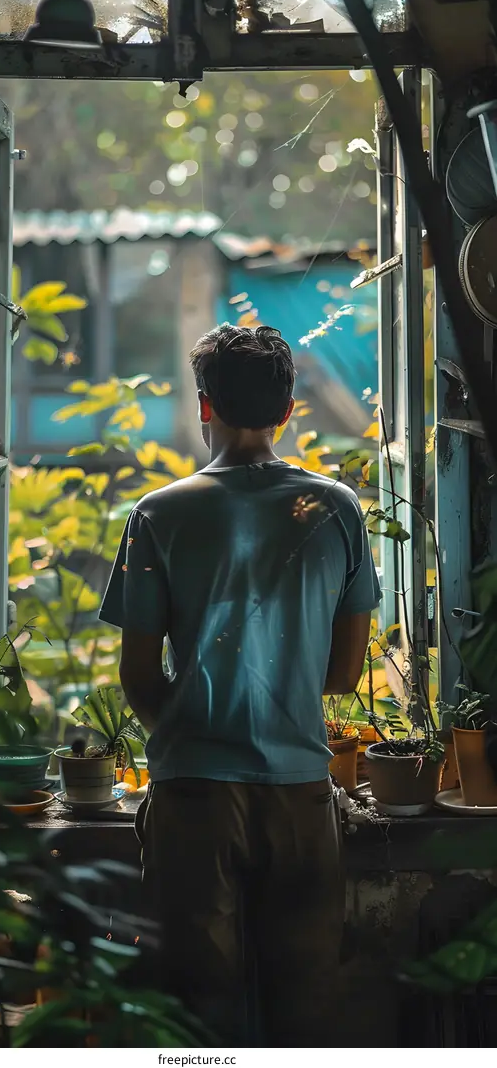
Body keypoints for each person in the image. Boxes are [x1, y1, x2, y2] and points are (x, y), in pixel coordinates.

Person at [99, 323, 380, 1047]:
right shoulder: (337, 509)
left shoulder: (156, 515)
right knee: (304, 1015)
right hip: (299, 793)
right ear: (289, 411)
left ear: (203, 406)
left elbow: (137, 676)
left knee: (195, 1022)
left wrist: (193, 725)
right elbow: (344, 674)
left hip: (192, 793)